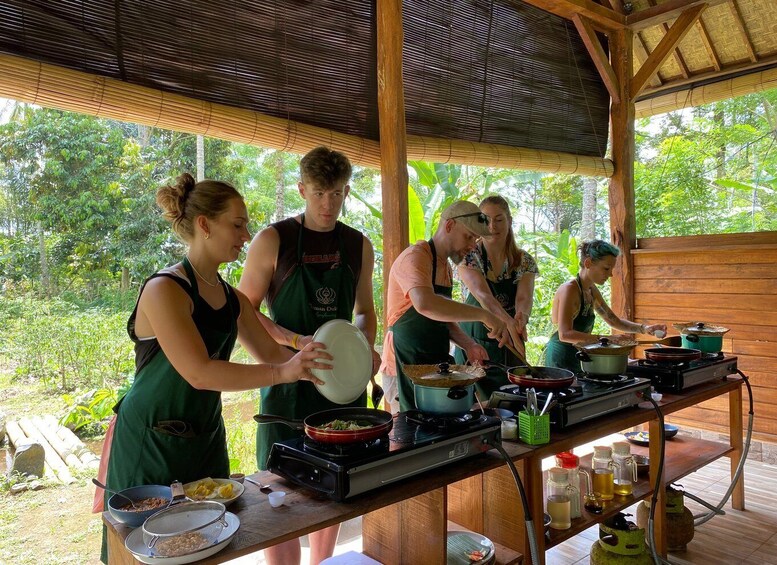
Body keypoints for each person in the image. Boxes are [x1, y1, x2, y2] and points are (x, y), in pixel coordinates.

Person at [100, 173, 329, 562]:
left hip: (204, 431)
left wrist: (316, 361)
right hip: (151, 438)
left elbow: (272, 356)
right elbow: (200, 372)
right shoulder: (164, 289)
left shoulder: (231, 296)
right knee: (148, 547)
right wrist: (284, 372)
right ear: (204, 224)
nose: (245, 235)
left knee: (207, 541)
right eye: (237, 224)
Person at [238, 146, 380, 565]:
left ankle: (323, 562)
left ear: (346, 191)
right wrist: (293, 340)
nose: (327, 204)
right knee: (279, 491)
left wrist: (364, 346)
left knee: (336, 485)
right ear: (301, 189)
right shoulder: (273, 239)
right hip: (287, 383)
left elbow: (364, 311)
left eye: (336, 193)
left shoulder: (357, 244)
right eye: (319, 193)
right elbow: (244, 309)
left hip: (342, 385)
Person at [382, 200, 520, 413]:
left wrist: (469, 345)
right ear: (449, 226)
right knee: (413, 431)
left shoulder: (444, 266)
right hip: (405, 363)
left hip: (433, 366)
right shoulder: (416, 257)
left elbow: (442, 319)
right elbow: (425, 304)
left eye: (475, 239)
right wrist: (484, 315)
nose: (473, 245)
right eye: (469, 236)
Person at [454, 195, 539, 398]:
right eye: (485, 219)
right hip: (475, 343)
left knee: (513, 401)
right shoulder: (469, 257)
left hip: (510, 340)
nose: (492, 226)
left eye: (499, 219)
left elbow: (524, 298)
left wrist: (521, 318)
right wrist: (507, 322)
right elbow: (484, 296)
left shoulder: (523, 260)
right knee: (479, 407)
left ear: (509, 221)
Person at [546, 239, 666, 374]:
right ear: (588, 263)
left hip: (579, 354)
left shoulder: (591, 290)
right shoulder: (569, 290)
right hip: (560, 358)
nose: (610, 274)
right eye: (606, 268)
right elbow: (565, 334)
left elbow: (614, 321)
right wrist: (606, 339)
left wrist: (644, 328)